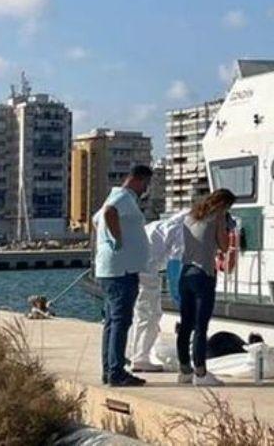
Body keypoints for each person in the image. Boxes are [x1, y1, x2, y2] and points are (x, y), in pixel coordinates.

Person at [93, 164, 153, 387]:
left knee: (111, 321)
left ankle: (109, 370)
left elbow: (95, 219)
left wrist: (106, 242)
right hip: (121, 270)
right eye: (146, 185)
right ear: (139, 180)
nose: (145, 190)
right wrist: (117, 240)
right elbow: (109, 213)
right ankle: (116, 372)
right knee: (121, 320)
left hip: (111, 268)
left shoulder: (116, 196)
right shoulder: (124, 197)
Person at [177, 188, 236, 386]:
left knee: (185, 325)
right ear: (224, 205)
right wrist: (224, 226)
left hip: (185, 273)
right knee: (201, 326)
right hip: (204, 274)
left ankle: (184, 370)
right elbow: (224, 246)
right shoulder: (217, 218)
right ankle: (201, 373)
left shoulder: (190, 217)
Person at [127, 210, 186, 373]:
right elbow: (174, 265)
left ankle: (132, 354)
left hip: (131, 267)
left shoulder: (158, 226)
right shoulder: (181, 230)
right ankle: (141, 358)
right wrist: (177, 294)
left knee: (138, 314)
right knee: (151, 314)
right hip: (146, 271)